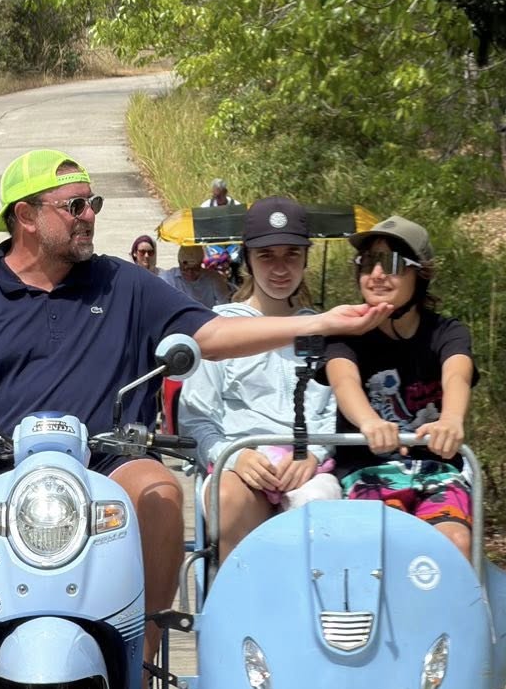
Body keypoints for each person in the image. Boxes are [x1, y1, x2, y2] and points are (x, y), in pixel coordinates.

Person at [0, 151, 383, 689]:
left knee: (160, 493)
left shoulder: (125, 284)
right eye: (75, 206)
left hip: (105, 470)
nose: (90, 217)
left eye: (94, 204)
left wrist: (316, 325)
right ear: (26, 217)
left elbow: (210, 336)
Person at [178, 197, 341, 558]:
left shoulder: (324, 331)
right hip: (240, 465)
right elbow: (196, 418)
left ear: (305, 260)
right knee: (229, 499)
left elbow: (334, 409)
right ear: (247, 259)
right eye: (267, 255)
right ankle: (238, 604)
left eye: (292, 255)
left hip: (307, 470)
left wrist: (312, 453)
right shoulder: (219, 328)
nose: (280, 268)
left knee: (325, 510)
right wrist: (234, 457)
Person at [320, 215, 476, 557]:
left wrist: (451, 420)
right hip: (368, 469)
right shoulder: (346, 333)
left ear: (419, 274)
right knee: (381, 546)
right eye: (368, 263)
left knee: (455, 544)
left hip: (437, 470)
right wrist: (369, 422)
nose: (376, 275)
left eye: (390, 263)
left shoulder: (446, 332)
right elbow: (344, 380)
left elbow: (457, 374)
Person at [169, 242, 230, 309]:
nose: (190, 273)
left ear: (201, 264)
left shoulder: (214, 278)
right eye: (185, 270)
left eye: (195, 269)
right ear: (179, 264)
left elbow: (225, 304)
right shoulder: (169, 278)